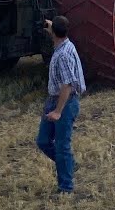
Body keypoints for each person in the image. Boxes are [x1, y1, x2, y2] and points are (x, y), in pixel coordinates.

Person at [36, 16, 86, 194]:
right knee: (43, 141)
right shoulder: (66, 44)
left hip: (65, 102)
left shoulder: (63, 55)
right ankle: (69, 164)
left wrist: (58, 111)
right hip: (53, 100)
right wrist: (51, 26)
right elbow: (57, 30)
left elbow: (67, 85)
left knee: (61, 146)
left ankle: (66, 188)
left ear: (54, 34)